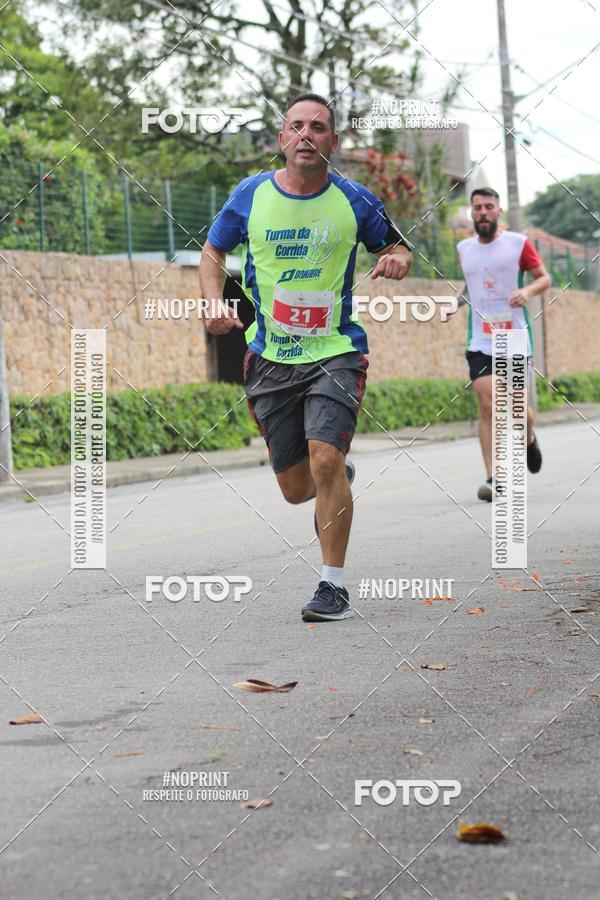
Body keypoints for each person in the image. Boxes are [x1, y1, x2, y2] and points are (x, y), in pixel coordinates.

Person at [199, 92, 412, 621]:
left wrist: (397, 260)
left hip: (335, 351)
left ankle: (332, 584)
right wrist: (211, 301)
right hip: (270, 356)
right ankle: (332, 475)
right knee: (298, 489)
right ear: (282, 139)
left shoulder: (354, 199)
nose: (306, 135)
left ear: (332, 142)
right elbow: (212, 250)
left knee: (324, 459)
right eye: (296, 126)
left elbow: (397, 246)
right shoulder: (250, 195)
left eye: (318, 127)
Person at [450, 188, 551, 501]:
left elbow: (543, 277)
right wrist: (454, 303)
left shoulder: (518, 244)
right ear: (472, 213)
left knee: (519, 411)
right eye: (477, 207)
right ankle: (494, 478)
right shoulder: (463, 248)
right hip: (480, 339)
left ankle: (529, 436)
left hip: (515, 337)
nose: (482, 212)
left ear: (499, 211)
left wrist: (528, 292)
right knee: (488, 404)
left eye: (488, 206)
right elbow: (473, 284)